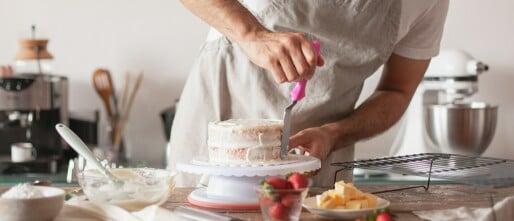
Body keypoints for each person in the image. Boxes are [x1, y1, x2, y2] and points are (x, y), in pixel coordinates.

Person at [168, 0, 450, 187]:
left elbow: (396, 91)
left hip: (315, 164)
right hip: (216, 140)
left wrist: (334, 134)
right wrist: (251, 34)